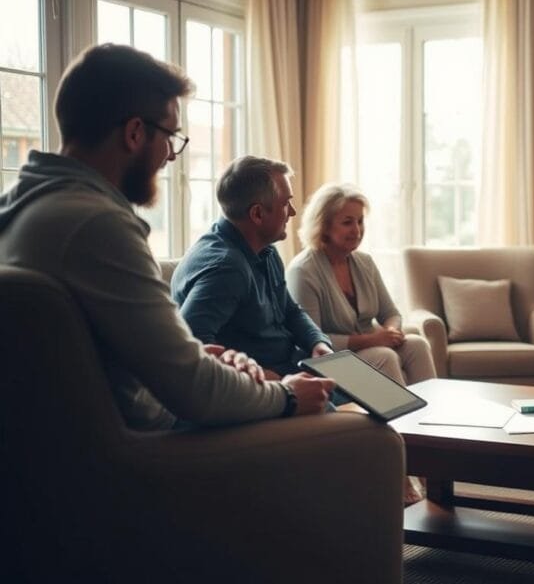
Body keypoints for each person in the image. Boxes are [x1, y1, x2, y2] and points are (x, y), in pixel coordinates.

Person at [0, 44, 333, 430]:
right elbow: (194, 391)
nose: (171, 156)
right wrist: (288, 395)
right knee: (354, 430)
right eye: (171, 136)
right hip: (150, 454)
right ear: (135, 132)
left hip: (77, 451)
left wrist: (204, 361)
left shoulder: (24, 205)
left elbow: (124, 363)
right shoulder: (98, 226)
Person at [171, 156, 333, 379]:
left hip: (292, 366)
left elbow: (290, 310)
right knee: (367, 409)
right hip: (266, 387)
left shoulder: (265, 251)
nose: (293, 212)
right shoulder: (227, 269)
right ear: (257, 214)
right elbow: (191, 347)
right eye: (285, 203)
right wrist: (266, 378)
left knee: (366, 388)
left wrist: (317, 342)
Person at [286, 183, 437, 385]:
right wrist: (372, 340)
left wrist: (390, 332)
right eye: (347, 222)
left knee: (417, 345)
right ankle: (399, 416)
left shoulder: (365, 262)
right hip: (329, 361)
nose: (357, 230)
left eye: (360, 221)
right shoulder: (302, 271)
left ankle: (430, 415)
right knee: (385, 356)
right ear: (324, 225)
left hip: (372, 348)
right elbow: (310, 339)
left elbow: (391, 313)